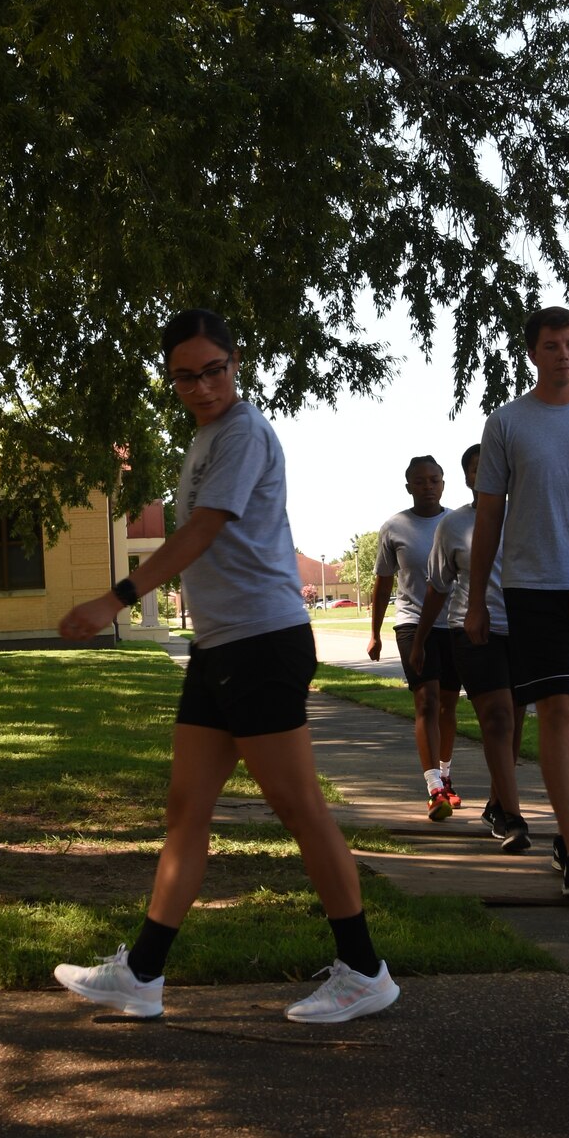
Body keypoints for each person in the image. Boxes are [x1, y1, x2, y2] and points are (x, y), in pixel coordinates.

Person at [53, 308, 399, 1026]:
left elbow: (204, 530)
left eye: (213, 369)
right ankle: (143, 975)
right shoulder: (206, 438)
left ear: (235, 363)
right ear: (171, 380)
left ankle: (364, 970)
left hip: (261, 641)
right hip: (219, 647)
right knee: (186, 809)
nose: (202, 385)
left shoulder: (242, 432)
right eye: (185, 375)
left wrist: (115, 598)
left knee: (299, 808)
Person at [466, 307, 569, 900]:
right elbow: (488, 518)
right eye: (551, 346)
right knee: (558, 711)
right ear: (532, 354)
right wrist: (477, 601)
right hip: (532, 585)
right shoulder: (507, 423)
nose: (563, 354)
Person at [410, 444, 530, 852]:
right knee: (496, 718)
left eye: (496, 467)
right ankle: (514, 818)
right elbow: (437, 587)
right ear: (468, 478)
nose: (489, 474)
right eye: (479, 469)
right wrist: (422, 639)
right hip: (472, 630)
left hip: (523, 630)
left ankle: (498, 803)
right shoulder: (454, 525)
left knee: (513, 721)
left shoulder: (526, 516)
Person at [369, 456, 462, 817]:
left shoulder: (456, 523)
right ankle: (434, 787)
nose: (428, 487)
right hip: (410, 624)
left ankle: (447, 776)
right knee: (426, 701)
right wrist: (375, 633)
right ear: (408, 486)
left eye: (434, 480)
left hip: (453, 624)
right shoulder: (394, 528)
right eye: (420, 481)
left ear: (443, 483)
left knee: (448, 706)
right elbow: (383, 584)